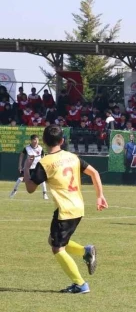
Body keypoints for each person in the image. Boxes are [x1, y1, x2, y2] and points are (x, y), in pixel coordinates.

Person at [22, 125, 107, 294]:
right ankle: (85, 251)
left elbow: (30, 188)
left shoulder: (45, 162)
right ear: (62, 141)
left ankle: (80, 284)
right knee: (54, 240)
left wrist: (26, 168)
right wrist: (100, 196)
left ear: (44, 141)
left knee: (57, 248)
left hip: (65, 210)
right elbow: (95, 173)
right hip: (78, 207)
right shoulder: (72, 157)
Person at [10, 134, 48, 200]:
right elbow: (21, 155)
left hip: (37, 168)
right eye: (35, 140)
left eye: (37, 140)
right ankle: (14, 191)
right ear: (31, 140)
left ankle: (44, 194)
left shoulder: (40, 148)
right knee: (19, 179)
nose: (36, 141)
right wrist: (20, 165)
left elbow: (43, 156)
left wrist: (44, 165)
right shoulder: (27, 148)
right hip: (28, 168)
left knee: (42, 180)